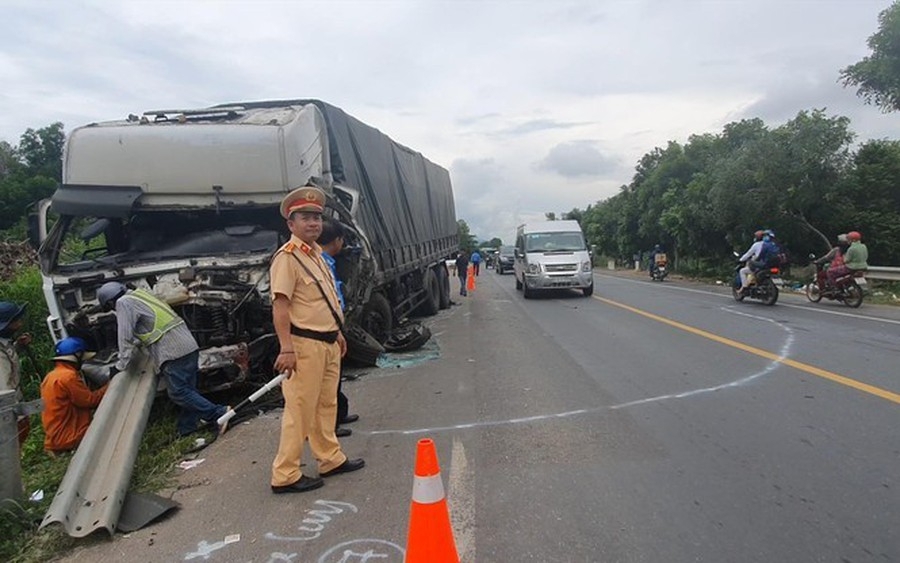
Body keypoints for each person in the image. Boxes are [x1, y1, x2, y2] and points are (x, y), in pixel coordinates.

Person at [270, 185, 364, 495]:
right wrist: (286, 348)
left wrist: (336, 332)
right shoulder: (288, 259)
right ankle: (285, 474)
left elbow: (323, 300)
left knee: (326, 404)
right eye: (305, 217)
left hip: (328, 342)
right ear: (291, 224)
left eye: (317, 218)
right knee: (300, 410)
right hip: (304, 346)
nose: (313, 223)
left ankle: (329, 459)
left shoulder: (318, 256)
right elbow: (281, 305)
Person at [96, 281, 230, 437]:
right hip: (187, 345)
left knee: (178, 392)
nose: (113, 310)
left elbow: (125, 337)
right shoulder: (141, 295)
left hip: (172, 350)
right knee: (189, 390)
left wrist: (120, 366)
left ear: (111, 302)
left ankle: (219, 413)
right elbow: (150, 326)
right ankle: (187, 428)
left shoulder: (123, 302)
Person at [317, 217, 360, 439]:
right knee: (327, 382)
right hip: (323, 333)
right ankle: (329, 426)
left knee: (335, 377)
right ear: (338, 240)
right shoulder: (319, 263)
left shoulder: (327, 262)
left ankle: (338, 415)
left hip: (333, 330)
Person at [40, 337, 108, 453]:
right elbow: (90, 401)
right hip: (70, 437)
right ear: (77, 356)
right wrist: (110, 385)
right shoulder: (68, 377)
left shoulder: (51, 376)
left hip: (54, 439)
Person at [0, 301, 32, 448]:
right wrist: (17, 415)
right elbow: (4, 388)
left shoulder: (5, 345)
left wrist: (17, 346)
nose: (19, 324)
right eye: (16, 321)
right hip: (8, 410)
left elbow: (10, 357)